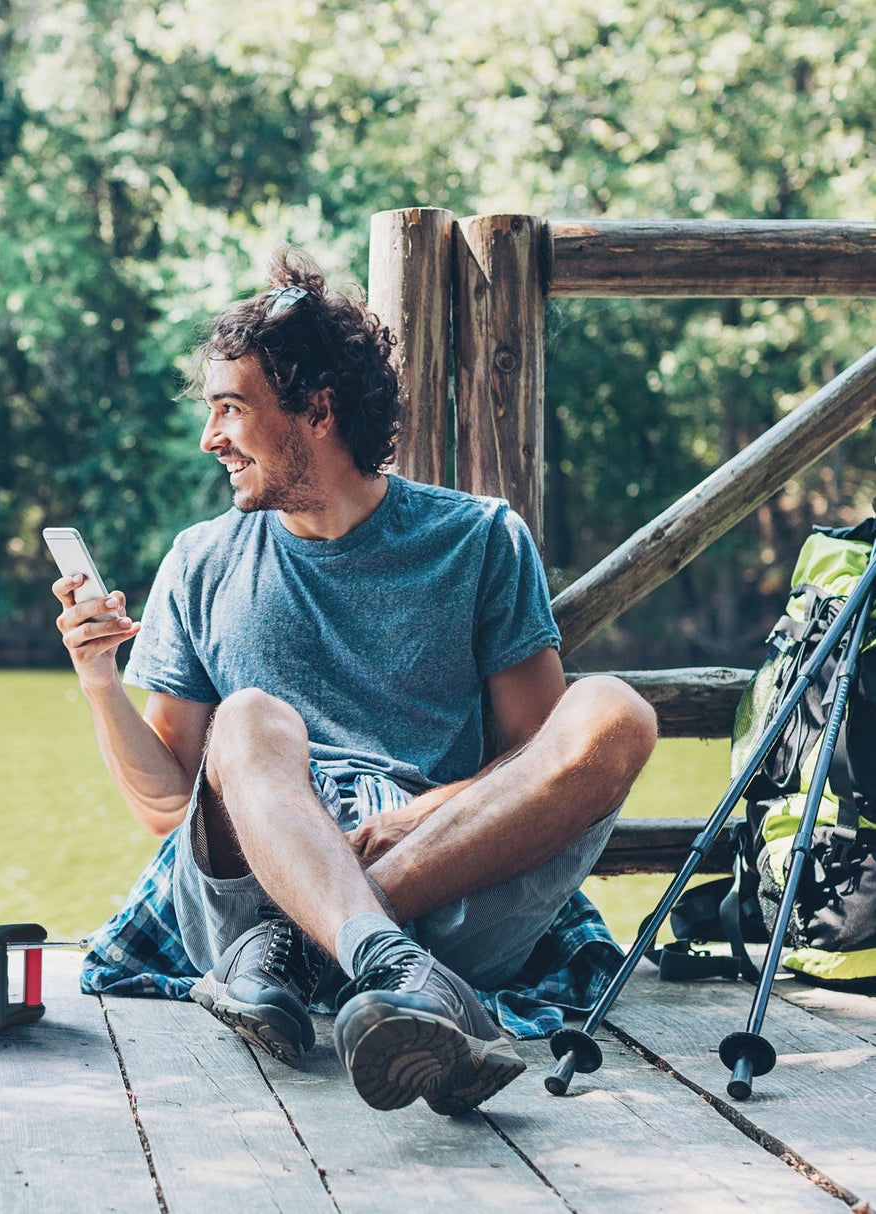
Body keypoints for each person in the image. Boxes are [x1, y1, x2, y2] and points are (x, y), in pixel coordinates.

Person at [54, 247, 657, 1115]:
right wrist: (98, 679)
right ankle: (385, 967)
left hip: (433, 875)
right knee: (253, 716)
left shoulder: (480, 539)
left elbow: (538, 759)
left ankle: (328, 956)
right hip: (252, 893)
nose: (209, 437)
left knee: (614, 711)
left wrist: (424, 811)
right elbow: (166, 806)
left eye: (230, 410)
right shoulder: (201, 559)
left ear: (319, 411)